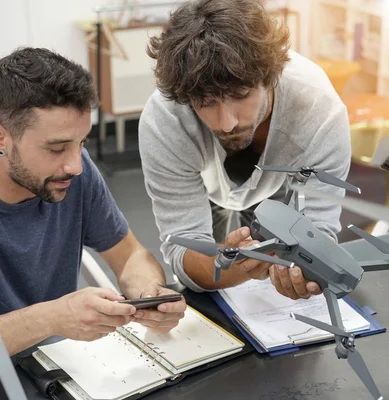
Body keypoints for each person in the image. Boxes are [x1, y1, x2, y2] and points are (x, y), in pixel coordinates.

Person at [0, 47, 186, 356]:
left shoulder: (75, 173)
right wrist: (52, 318)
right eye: (56, 148)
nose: (75, 165)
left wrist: (149, 294)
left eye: (81, 142)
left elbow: (129, 256)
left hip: (55, 363)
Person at [139, 0, 351, 300]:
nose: (226, 124)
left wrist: (303, 270)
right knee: (209, 281)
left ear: (270, 77)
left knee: (288, 257)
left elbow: (319, 231)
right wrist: (234, 267)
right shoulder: (166, 119)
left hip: (281, 179)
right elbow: (183, 248)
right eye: (206, 103)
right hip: (205, 181)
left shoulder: (319, 111)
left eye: (240, 96)